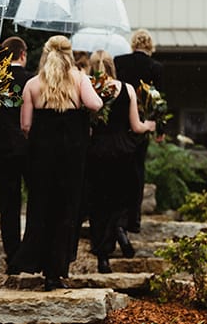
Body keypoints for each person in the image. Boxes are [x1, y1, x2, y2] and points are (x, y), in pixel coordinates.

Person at [8, 35, 103, 291]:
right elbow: (96, 103)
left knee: (41, 208)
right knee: (66, 209)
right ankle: (57, 270)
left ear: (45, 53)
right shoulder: (79, 78)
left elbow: (25, 125)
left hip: (41, 156)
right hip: (72, 155)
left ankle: (36, 261)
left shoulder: (32, 84)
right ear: (69, 54)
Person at [86, 50, 155, 273]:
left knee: (98, 203)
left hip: (96, 150)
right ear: (111, 65)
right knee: (119, 199)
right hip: (122, 151)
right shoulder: (127, 89)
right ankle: (118, 229)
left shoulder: (88, 88)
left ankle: (102, 257)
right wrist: (149, 126)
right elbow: (136, 126)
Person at [113, 28, 163, 233]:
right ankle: (133, 220)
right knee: (137, 170)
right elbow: (159, 101)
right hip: (142, 124)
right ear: (150, 46)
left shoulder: (119, 61)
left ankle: (117, 217)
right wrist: (159, 129)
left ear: (133, 44)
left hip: (119, 123)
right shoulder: (156, 67)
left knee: (119, 171)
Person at [0, 36, 33, 268]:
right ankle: (29, 251)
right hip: (28, 147)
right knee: (34, 199)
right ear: (23, 54)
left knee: (10, 202)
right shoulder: (32, 80)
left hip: (2, 147)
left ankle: (12, 253)